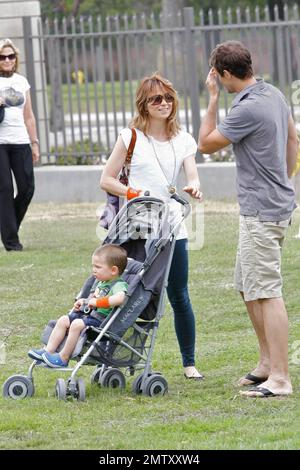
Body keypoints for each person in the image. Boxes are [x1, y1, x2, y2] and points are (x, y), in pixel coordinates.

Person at [198, 40, 299, 397]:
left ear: (225, 74)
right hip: (271, 205)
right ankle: (267, 363)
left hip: (261, 211)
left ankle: (281, 379)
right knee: (247, 284)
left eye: (219, 78)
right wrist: (285, 181)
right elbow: (292, 139)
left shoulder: (246, 109)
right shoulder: (273, 94)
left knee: (267, 291)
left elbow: (206, 143)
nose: (219, 82)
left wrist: (211, 99)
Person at [100, 72, 204, 380]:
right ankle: (110, 355)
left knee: (179, 294)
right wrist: (133, 192)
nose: (164, 104)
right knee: (129, 291)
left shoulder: (183, 140)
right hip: (136, 228)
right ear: (144, 104)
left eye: (169, 98)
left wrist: (194, 186)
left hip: (172, 227)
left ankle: (189, 362)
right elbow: (106, 178)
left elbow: (192, 174)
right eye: (156, 99)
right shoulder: (130, 136)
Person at [28, 244, 128, 368]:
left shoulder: (118, 284)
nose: (94, 270)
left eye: (98, 267)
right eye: (93, 266)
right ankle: (48, 351)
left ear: (113, 270)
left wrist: (97, 303)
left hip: (101, 322)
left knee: (76, 324)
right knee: (64, 320)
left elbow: (120, 298)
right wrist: (84, 302)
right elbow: (93, 300)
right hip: (89, 316)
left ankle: (63, 358)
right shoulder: (102, 283)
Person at [0, 38, 39, 252]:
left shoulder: (22, 82)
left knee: (27, 188)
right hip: (0, 143)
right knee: (4, 189)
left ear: (16, 59)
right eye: (2, 57)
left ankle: (8, 227)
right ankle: (11, 242)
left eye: (10, 56)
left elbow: (29, 116)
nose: (7, 60)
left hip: (21, 140)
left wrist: (34, 143)